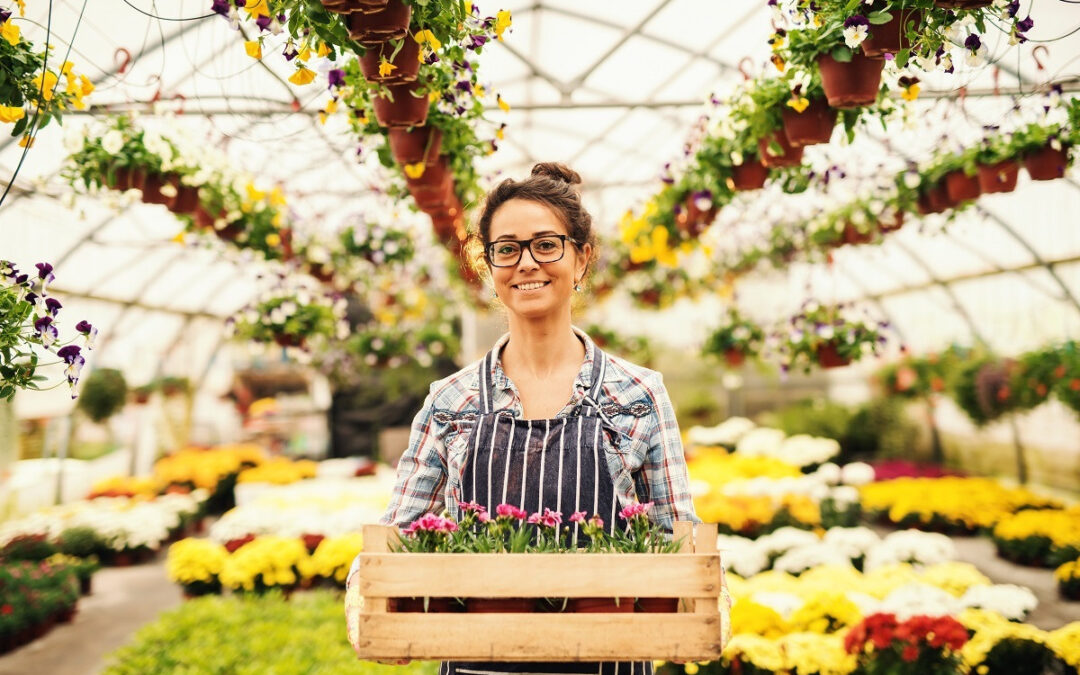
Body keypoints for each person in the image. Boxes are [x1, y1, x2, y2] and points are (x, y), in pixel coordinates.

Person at [346, 162, 701, 675]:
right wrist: (366, 589)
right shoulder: (451, 401)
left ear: (581, 258)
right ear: (490, 268)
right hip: (478, 663)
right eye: (507, 249)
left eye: (547, 244)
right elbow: (399, 533)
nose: (527, 263)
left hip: (610, 659)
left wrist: (707, 598)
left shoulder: (639, 394)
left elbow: (676, 536)